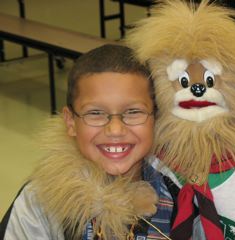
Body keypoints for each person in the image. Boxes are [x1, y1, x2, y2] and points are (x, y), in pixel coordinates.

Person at [0, 44, 174, 240]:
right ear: (71, 122)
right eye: (95, 113)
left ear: (155, 117)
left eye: (133, 112)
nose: (115, 130)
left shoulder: (181, 194)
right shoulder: (41, 202)